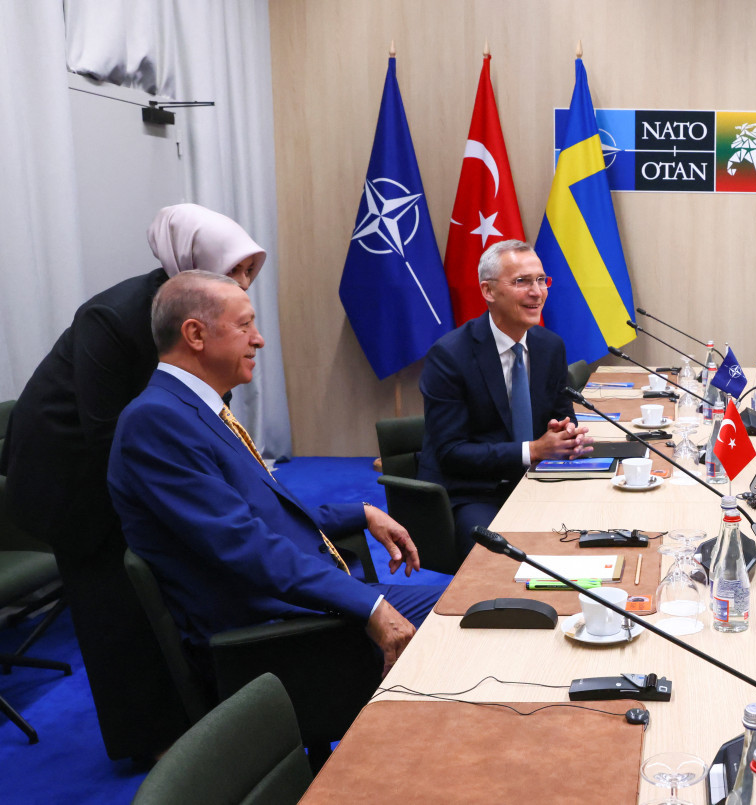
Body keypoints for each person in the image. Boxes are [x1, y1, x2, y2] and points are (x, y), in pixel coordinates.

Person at [0, 203, 266, 760]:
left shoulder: (202, 313)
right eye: (234, 269)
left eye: (248, 272)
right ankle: (146, 746)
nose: (242, 284)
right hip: (70, 475)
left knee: (159, 593)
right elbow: (104, 432)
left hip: (133, 462)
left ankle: (187, 718)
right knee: (114, 603)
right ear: (194, 259)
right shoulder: (113, 315)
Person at [107, 270, 444, 681]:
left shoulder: (192, 409)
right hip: (270, 633)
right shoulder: (157, 421)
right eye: (245, 324)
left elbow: (263, 512)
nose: (259, 339)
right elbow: (243, 544)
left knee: (482, 606)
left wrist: (361, 512)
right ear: (195, 334)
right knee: (470, 613)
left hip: (295, 603)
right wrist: (369, 606)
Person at [418, 240, 592, 554]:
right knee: (498, 557)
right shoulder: (450, 355)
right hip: (474, 491)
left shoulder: (550, 346)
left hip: (538, 480)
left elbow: (564, 414)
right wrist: (534, 449)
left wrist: (566, 435)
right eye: (521, 282)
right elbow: (451, 452)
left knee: (596, 531)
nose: (537, 292)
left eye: (541, 280)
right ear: (488, 291)